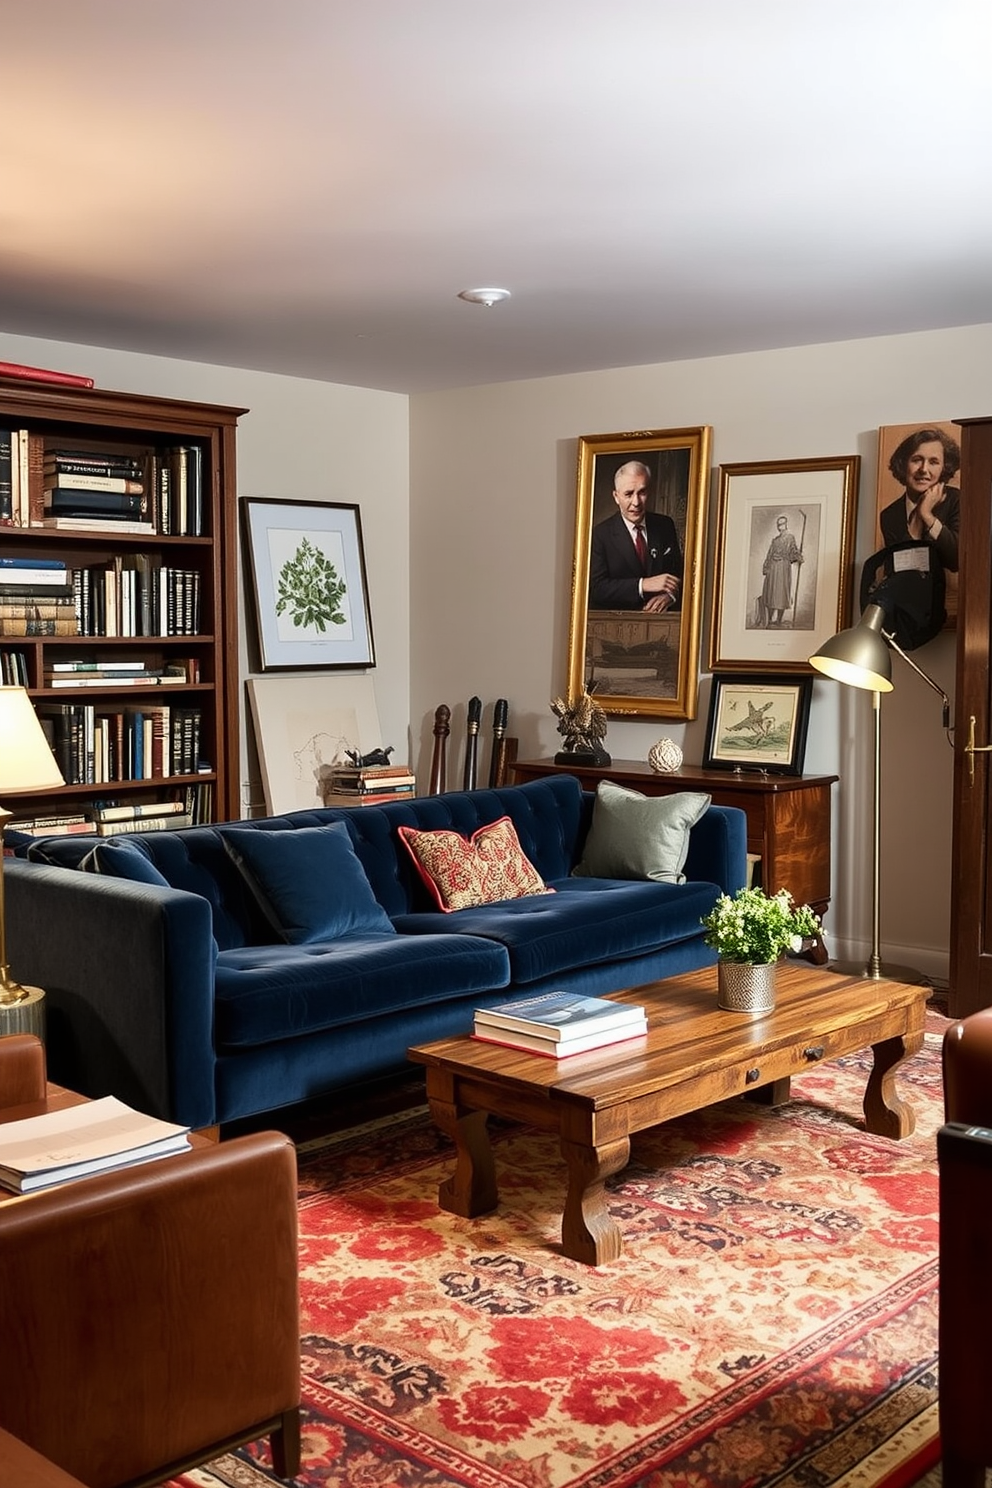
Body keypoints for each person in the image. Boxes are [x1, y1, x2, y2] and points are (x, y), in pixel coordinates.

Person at [588, 460, 683, 611]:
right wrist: (642, 584)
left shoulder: (665, 525)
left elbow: (681, 574)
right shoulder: (599, 535)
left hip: (663, 622)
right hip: (619, 625)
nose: (636, 502)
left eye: (642, 492)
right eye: (628, 494)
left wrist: (670, 595)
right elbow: (597, 589)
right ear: (616, 496)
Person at [879, 427, 959, 572]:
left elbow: (956, 561)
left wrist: (927, 516)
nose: (923, 469)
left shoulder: (957, 500)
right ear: (903, 465)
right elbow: (897, 570)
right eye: (917, 460)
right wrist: (915, 528)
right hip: (906, 593)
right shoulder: (889, 515)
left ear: (944, 468)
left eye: (933, 462)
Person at [759, 514, 803, 627]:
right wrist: (766, 566)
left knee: (782, 593)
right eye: (778, 524)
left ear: (786, 524)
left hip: (783, 568)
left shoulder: (790, 538)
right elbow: (769, 554)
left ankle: (778, 620)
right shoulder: (775, 540)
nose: (780, 526)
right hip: (773, 568)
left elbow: (793, 551)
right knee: (771, 593)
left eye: (782, 524)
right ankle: (769, 620)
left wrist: (798, 556)